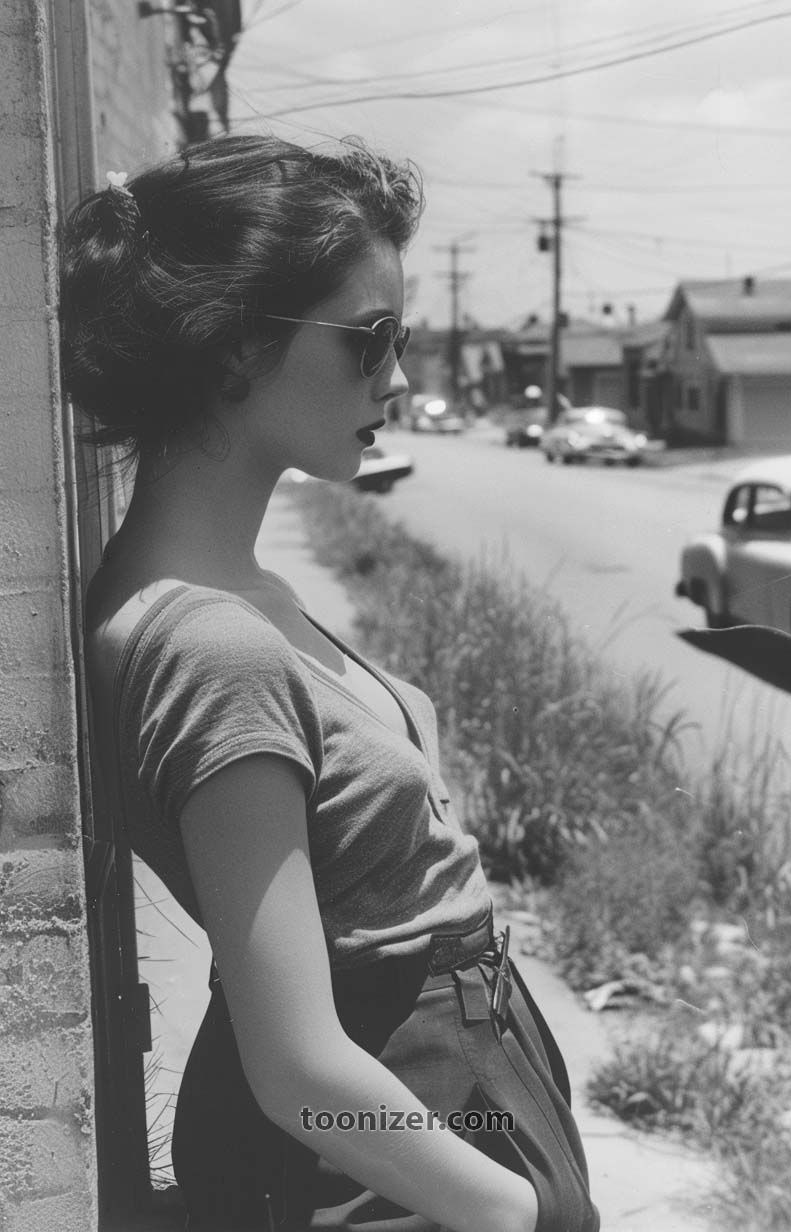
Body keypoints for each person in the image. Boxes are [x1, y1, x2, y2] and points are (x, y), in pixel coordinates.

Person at [62, 134, 599, 1232]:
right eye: (371, 339)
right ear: (231, 349)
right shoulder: (210, 644)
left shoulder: (232, 589)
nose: (397, 377)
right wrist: (505, 1208)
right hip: (383, 1150)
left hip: (439, 1092)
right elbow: (301, 1066)